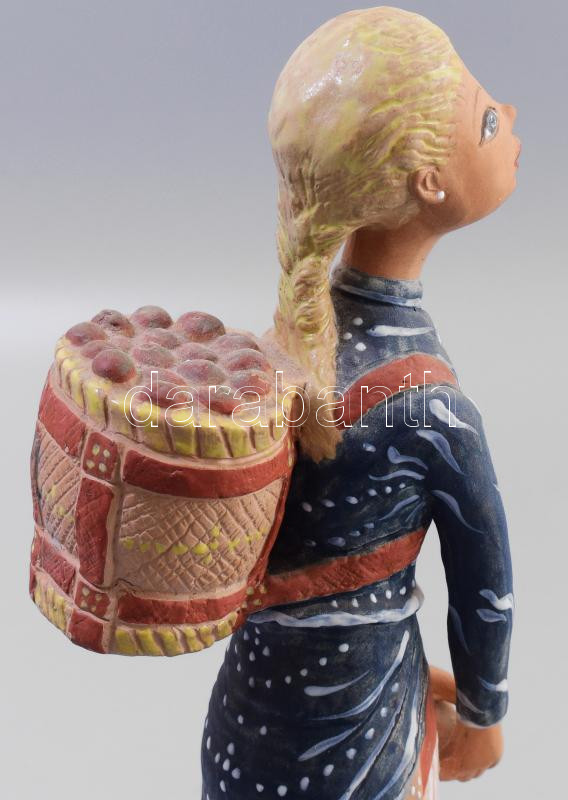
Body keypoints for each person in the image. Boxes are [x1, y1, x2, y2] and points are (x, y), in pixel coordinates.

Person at [202, 7, 518, 798]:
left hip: (246, 717)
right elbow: (484, 589)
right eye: (486, 119)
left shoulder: (276, 355)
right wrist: (484, 713)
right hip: (361, 735)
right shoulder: (436, 414)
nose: (510, 114)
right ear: (429, 183)